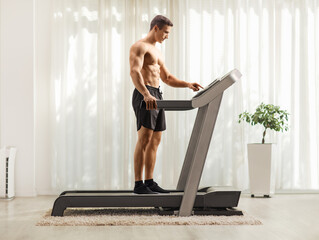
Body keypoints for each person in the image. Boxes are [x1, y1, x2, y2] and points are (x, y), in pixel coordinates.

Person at [129, 15, 203, 194]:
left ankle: (150, 181)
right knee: (144, 138)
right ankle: (139, 185)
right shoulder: (139, 46)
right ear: (156, 28)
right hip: (144, 93)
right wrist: (146, 94)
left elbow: (167, 78)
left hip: (157, 95)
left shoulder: (157, 52)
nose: (167, 36)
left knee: (155, 140)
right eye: (166, 32)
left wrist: (187, 84)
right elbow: (134, 72)